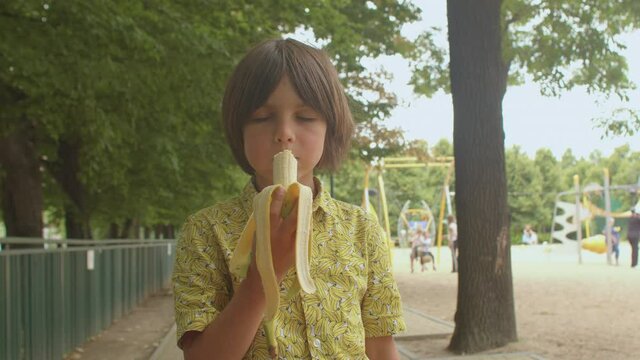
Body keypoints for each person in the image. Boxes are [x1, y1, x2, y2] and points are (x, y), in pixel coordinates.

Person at [172, 38, 405, 359]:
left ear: (330, 128)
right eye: (261, 116)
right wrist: (262, 275)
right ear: (238, 129)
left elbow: (380, 347)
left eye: (306, 117)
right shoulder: (204, 232)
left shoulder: (362, 229)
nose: (284, 132)